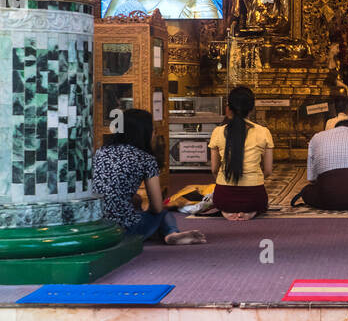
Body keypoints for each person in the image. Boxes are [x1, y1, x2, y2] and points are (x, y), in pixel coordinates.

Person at [93, 108, 205, 246]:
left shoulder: (101, 152)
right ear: (144, 133)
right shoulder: (146, 159)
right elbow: (157, 207)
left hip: (97, 226)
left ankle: (159, 231)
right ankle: (171, 233)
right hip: (125, 229)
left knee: (137, 202)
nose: (154, 133)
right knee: (162, 214)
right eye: (153, 129)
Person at [208, 85, 273, 220]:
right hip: (254, 197)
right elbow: (267, 170)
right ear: (252, 108)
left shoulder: (218, 132)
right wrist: (252, 181)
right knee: (259, 203)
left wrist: (224, 184)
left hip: (223, 196)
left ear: (229, 108)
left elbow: (214, 169)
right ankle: (249, 211)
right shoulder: (263, 132)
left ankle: (228, 211)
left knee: (221, 202)